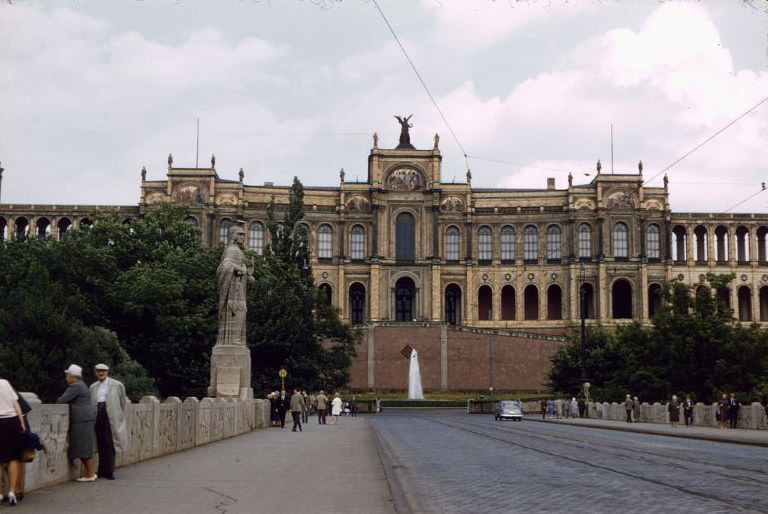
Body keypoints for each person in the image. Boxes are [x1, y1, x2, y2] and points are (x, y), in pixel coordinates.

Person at [215, 224, 255, 347]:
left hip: (239, 288)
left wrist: (249, 276)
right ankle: (233, 339)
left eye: (243, 235)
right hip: (234, 290)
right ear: (233, 236)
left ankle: (236, 339)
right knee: (240, 310)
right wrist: (241, 269)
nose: (242, 237)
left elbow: (241, 270)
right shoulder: (232, 249)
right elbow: (224, 266)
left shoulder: (239, 251)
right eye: (240, 235)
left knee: (242, 310)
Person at [57, 364, 97, 481]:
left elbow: (61, 400)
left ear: (73, 377)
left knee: (83, 446)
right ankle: (90, 473)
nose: (66, 378)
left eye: (67, 376)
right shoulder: (81, 385)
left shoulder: (75, 386)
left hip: (81, 419)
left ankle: (90, 474)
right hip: (85, 418)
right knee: (85, 446)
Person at [89, 363, 127, 480]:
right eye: (98, 371)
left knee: (110, 443)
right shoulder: (92, 387)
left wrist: (117, 414)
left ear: (107, 372)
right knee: (100, 442)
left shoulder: (117, 385)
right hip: (97, 413)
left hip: (111, 414)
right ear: (95, 372)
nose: (101, 373)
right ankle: (101, 470)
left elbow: (123, 401)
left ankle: (110, 471)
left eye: (103, 371)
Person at [0, 378, 26, 505]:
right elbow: (15, 403)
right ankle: (11, 492)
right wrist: (21, 422)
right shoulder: (4, 383)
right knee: (13, 458)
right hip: (11, 421)